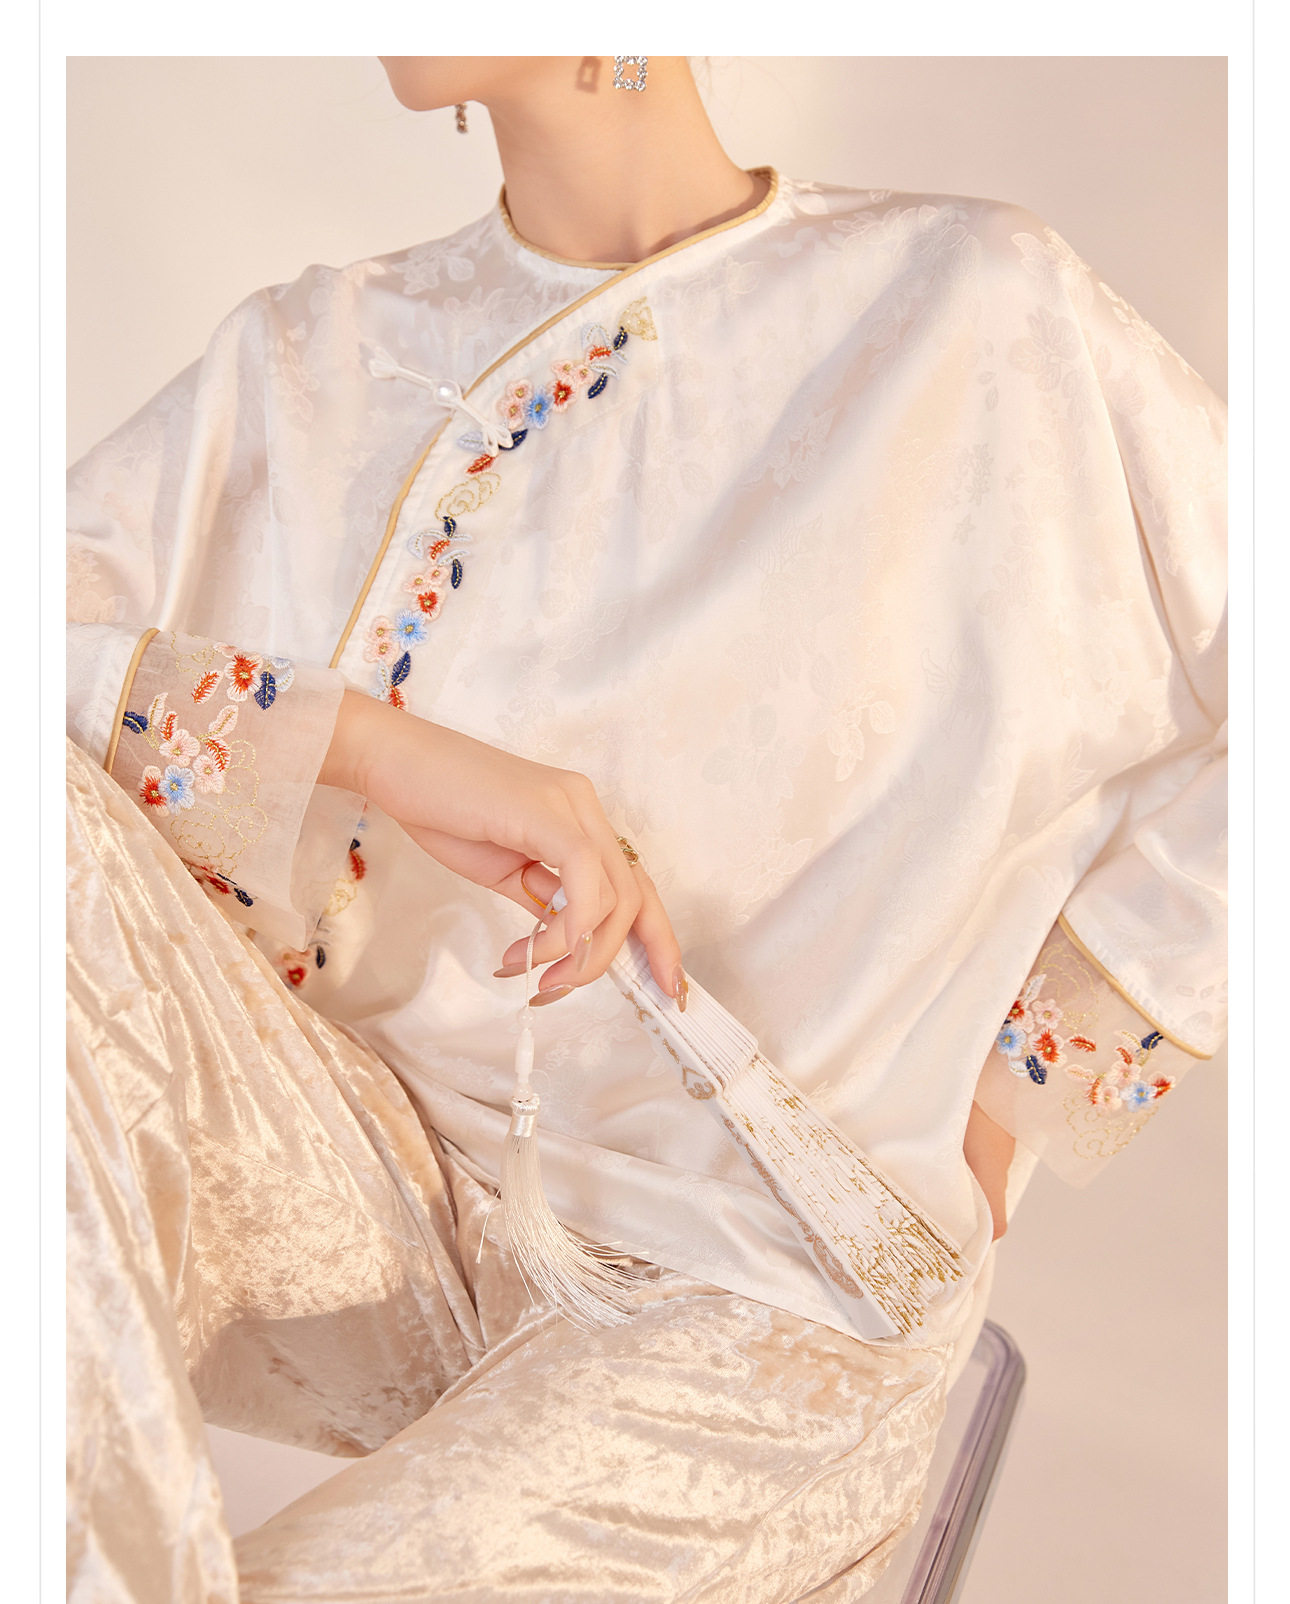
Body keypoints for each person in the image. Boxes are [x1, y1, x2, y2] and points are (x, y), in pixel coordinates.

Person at [66, 56, 1226, 1603]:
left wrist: (1025, 1089)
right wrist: (384, 753)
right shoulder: (310, 354)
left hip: (753, 1283)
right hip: (373, 1192)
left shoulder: (971, 303)